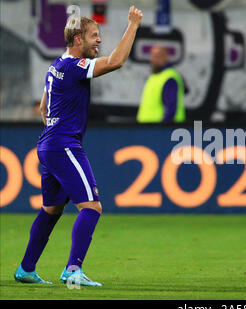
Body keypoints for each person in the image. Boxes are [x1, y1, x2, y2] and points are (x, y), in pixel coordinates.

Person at [14, 6, 143, 287]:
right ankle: (73, 271)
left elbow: (43, 106)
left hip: (48, 143)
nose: (99, 40)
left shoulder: (55, 66)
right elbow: (117, 61)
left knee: (52, 209)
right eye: (94, 36)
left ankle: (26, 269)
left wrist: (56, 124)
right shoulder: (74, 66)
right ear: (77, 41)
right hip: (64, 145)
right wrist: (133, 25)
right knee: (92, 207)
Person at [136, 45, 186, 123]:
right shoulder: (155, 77)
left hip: (160, 130)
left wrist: (163, 128)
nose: (152, 60)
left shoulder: (169, 78)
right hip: (148, 129)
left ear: (166, 57)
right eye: (152, 56)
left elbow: (171, 107)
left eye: (156, 56)